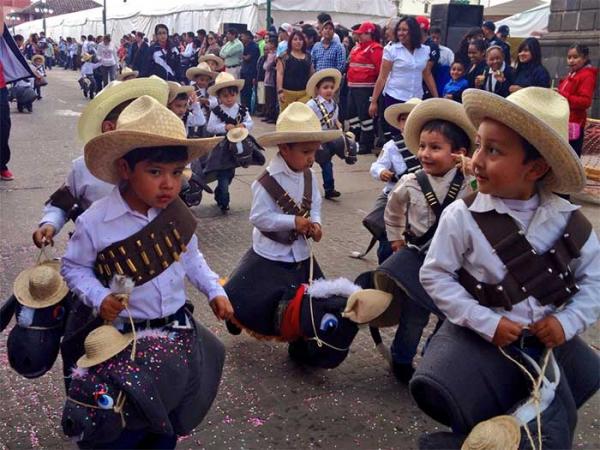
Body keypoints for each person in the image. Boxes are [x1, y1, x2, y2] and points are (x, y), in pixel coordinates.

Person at [413, 87, 600, 449]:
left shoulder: (571, 224)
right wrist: (486, 322)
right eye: (479, 145)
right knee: (479, 426)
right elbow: (434, 275)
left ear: (536, 167)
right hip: (482, 346)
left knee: (545, 433)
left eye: (494, 150)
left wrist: (567, 322)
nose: (477, 160)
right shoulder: (462, 217)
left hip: (546, 352)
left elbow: (594, 283)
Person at [60, 96, 230, 448]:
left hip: (174, 334)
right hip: (123, 341)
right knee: (121, 429)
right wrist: (100, 296)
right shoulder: (96, 220)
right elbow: (73, 267)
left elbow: (191, 258)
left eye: (176, 173)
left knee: (165, 425)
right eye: (155, 172)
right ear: (125, 169)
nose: (168, 184)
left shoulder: (177, 215)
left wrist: (214, 291)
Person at [224, 101, 340, 362]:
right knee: (250, 296)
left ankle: (299, 343)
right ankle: (236, 315)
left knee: (308, 300)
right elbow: (259, 217)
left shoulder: (309, 175)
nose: (312, 158)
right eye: (306, 151)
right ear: (285, 148)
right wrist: (292, 222)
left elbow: (316, 205)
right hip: (270, 253)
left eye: (314, 151)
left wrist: (317, 224)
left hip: (300, 254)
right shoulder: (266, 181)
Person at [381, 99, 475, 383]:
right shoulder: (410, 182)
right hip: (420, 261)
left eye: (435, 147)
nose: (425, 153)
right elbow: (393, 211)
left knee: (449, 318)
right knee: (414, 316)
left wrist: (472, 170)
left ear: (458, 153)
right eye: (422, 146)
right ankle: (401, 358)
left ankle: (433, 354)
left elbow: (489, 196)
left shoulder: (470, 183)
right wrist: (396, 240)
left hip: (457, 266)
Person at [32, 76, 171, 249]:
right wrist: (50, 224)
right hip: (97, 256)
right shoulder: (84, 167)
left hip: (149, 255)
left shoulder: (159, 166)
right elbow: (60, 204)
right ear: (109, 128)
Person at [366, 98, 422, 263]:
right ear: (398, 123)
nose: (407, 122)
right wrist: (381, 172)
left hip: (419, 199)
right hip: (394, 196)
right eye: (404, 118)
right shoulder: (392, 146)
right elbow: (376, 166)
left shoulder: (426, 144)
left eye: (412, 117)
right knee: (386, 237)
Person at [369, 17, 431, 141]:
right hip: (395, 96)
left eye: (405, 30)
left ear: (413, 31)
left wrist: (436, 97)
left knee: (413, 133)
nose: (400, 33)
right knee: (397, 135)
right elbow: (382, 77)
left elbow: (427, 75)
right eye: (399, 30)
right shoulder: (392, 50)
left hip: (416, 98)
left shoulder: (424, 50)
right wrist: (374, 101)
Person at [206, 72, 253, 211]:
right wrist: (224, 127)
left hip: (237, 145)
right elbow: (210, 127)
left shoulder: (242, 109)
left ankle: (221, 191)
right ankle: (224, 197)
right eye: (225, 96)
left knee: (230, 172)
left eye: (232, 95)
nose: (229, 99)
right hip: (222, 146)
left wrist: (244, 126)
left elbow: (250, 122)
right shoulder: (217, 111)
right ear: (219, 97)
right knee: (223, 172)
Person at [346, 21, 383, 155]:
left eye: (362, 34)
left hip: (366, 88)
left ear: (370, 34)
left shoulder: (375, 49)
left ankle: (366, 143)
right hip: (353, 87)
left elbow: (381, 72)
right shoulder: (356, 48)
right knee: (352, 115)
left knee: (365, 116)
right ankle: (354, 140)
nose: (359, 36)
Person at [306, 69, 343, 199]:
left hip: (327, 139)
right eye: (325, 87)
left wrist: (338, 124)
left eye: (332, 88)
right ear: (318, 89)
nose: (329, 90)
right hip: (313, 139)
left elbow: (334, 120)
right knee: (306, 165)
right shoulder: (312, 105)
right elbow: (306, 119)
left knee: (327, 163)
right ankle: (303, 188)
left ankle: (329, 189)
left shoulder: (334, 105)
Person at [558, 44, 598, 156]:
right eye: (569, 57)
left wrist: (562, 95)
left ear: (585, 58)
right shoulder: (573, 73)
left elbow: (585, 102)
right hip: (564, 121)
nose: (571, 60)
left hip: (574, 123)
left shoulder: (587, 76)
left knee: (569, 158)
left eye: (575, 57)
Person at [276, 30, 314, 112]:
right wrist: (280, 91)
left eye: (300, 39)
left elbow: (311, 74)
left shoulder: (308, 56)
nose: (298, 42)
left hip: (304, 94)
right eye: (295, 39)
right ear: (290, 41)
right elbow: (280, 74)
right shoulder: (284, 57)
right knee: (286, 118)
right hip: (287, 93)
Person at [186, 62, 218, 135]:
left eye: (207, 80)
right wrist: (192, 103)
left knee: (206, 133)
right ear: (196, 79)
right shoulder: (191, 89)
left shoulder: (209, 90)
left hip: (207, 116)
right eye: (202, 79)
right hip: (194, 116)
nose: (204, 82)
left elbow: (215, 102)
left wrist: (207, 101)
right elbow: (187, 103)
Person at [240, 30, 260, 109]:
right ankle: (243, 106)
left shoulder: (253, 46)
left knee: (248, 90)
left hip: (250, 72)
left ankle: (248, 107)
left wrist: (242, 56)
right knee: (243, 90)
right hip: (244, 71)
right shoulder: (245, 45)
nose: (242, 38)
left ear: (248, 37)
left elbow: (248, 58)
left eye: (243, 36)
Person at [262, 37, 279, 124]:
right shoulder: (270, 54)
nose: (267, 45)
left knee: (272, 99)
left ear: (273, 45)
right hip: (267, 79)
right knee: (268, 99)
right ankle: (268, 115)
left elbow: (266, 66)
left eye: (269, 43)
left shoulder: (274, 55)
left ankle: (272, 116)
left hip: (272, 80)